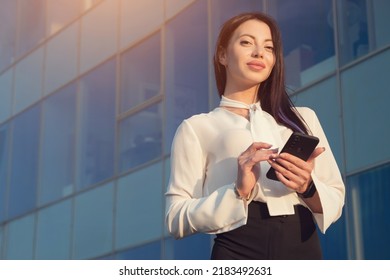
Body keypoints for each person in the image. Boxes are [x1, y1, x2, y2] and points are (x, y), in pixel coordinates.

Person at [165, 12, 345, 260]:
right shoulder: (196, 127)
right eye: (247, 42)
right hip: (238, 246)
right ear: (222, 55)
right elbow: (175, 218)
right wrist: (238, 191)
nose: (259, 52)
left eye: (268, 47)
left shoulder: (303, 118)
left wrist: (307, 186)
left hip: (302, 244)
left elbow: (336, 196)